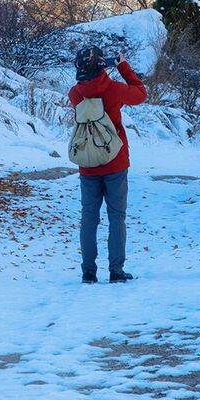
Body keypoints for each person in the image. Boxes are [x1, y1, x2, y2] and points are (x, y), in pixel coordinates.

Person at [69, 44, 147, 284]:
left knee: (89, 218)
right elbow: (141, 93)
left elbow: (89, 86)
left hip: (87, 163)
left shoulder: (75, 93)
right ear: (101, 66)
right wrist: (122, 65)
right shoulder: (113, 90)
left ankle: (88, 272)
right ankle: (116, 270)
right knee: (117, 217)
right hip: (115, 162)